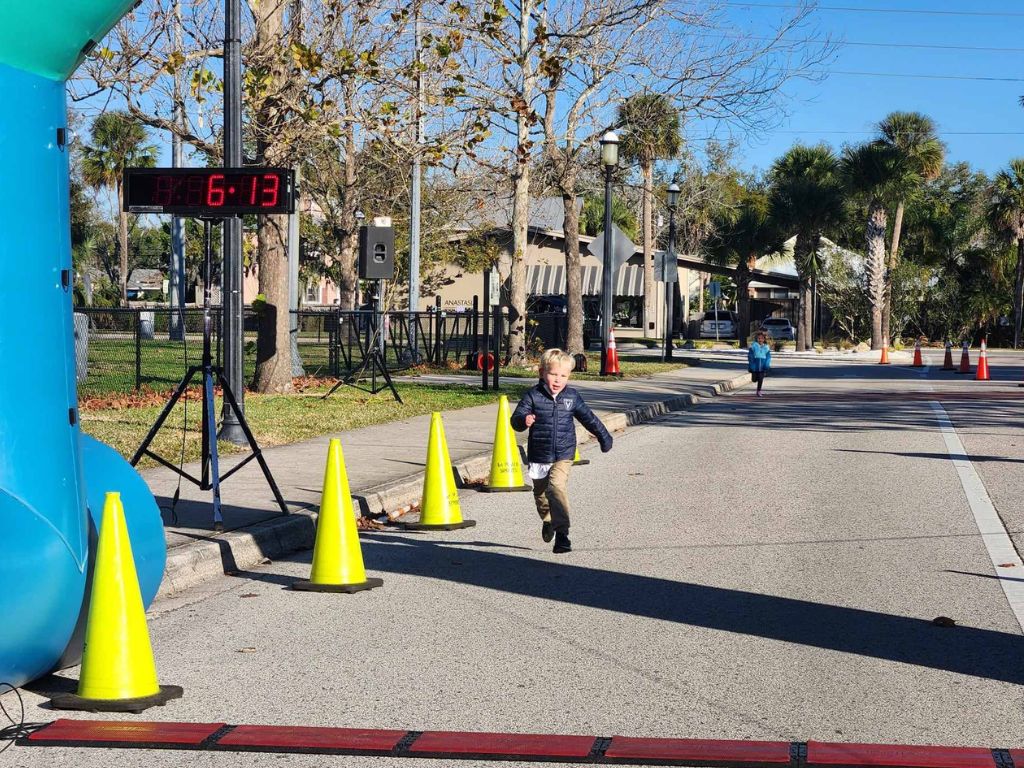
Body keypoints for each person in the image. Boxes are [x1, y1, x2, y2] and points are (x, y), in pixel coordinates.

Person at [511, 348, 613, 553]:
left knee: (555, 488)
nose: (558, 380)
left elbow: (589, 418)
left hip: (563, 454)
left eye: (563, 376)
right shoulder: (533, 396)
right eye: (553, 374)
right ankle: (548, 519)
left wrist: (604, 437)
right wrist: (524, 420)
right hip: (539, 454)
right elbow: (516, 419)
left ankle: (563, 535)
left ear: (569, 377)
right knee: (541, 496)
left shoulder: (572, 397)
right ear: (541, 373)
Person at [748, 330, 772, 397]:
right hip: (755, 366)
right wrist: (751, 365)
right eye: (758, 338)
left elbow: (768, 357)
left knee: (760, 379)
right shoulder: (753, 346)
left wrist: (767, 365)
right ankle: (755, 378)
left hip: (762, 366)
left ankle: (759, 391)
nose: (760, 340)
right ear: (756, 339)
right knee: (754, 380)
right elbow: (750, 356)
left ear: (764, 339)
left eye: (761, 338)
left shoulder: (766, 347)